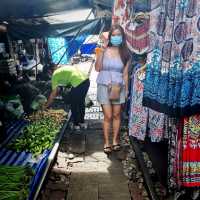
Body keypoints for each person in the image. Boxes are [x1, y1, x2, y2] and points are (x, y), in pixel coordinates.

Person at [95, 24, 131, 154]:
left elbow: (126, 74)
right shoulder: (102, 50)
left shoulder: (126, 53)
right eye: (114, 35)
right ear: (110, 37)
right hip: (104, 85)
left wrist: (126, 90)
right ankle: (106, 142)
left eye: (118, 35)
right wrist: (102, 50)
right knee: (108, 116)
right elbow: (97, 68)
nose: (116, 37)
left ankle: (115, 140)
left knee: (116, 115)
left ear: (122, 37)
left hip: (118, 87)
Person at [45, 65, 90, 130]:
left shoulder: (54, 75)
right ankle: (82, 122)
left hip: (78, 83)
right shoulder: (64, 68)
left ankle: (76, 125)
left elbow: (53, 94)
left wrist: (46, 106)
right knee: (81, 102)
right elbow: (68, 82)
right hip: (86, 81)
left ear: (49, 71)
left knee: (74, 104)